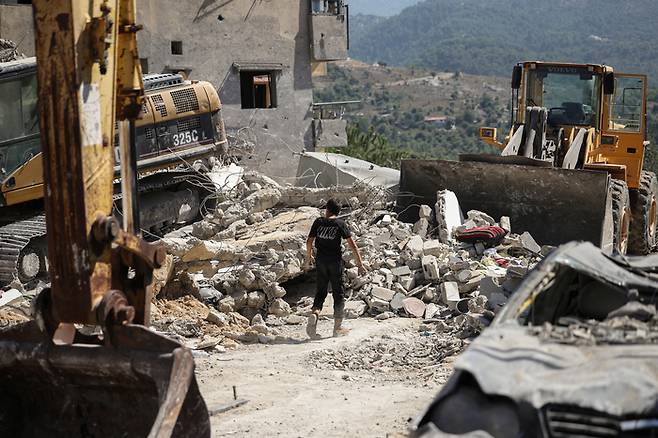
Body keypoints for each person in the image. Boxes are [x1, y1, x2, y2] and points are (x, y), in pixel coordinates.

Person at [305, 199, 365, 338]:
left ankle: (315, 313)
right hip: (335, 262)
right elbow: (352, 245)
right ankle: (337, 328)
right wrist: (360, 264)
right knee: (338, 293)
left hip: (320, 261)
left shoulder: (318, 222)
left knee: (320, 291)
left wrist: (309, 257)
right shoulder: (340, 224)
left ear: (327, 209)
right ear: (338, 212)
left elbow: (309, 241)